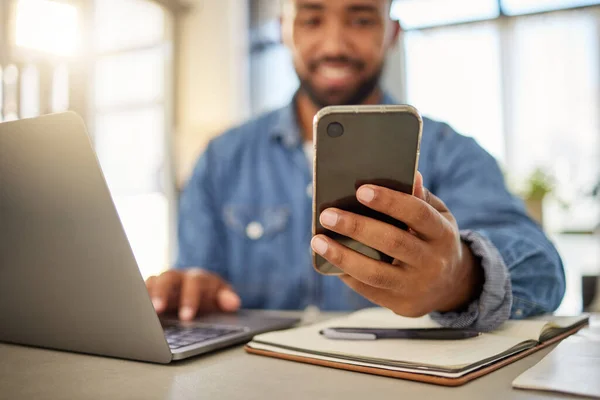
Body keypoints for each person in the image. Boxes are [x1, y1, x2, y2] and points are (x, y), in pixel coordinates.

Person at [145, 0, 565, 331]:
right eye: (311, 19)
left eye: (361, 20)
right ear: (283, 30)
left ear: (392, 32)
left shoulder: (450, 151)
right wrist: (189, 292)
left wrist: (459, 278)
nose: (334, 45)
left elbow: (544, 270)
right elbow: (197, 275)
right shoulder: (221, 159)